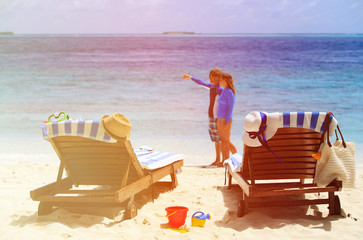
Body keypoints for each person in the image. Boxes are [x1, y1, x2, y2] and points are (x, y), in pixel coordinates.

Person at [182, 68, 223, 166]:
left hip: (218, 117)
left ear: (218, 77)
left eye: (212, 77)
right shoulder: (212, 87)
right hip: (211, 117)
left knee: (221, 139)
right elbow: (201, 82)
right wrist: (190, 77)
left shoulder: (220, 89)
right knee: (216, 140)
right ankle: (217, 159)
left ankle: (224, 160)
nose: (210, 79)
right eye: (209, 77)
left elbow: (225, 103)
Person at [216, 72, 237, 163]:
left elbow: (230, 107)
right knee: (223, 141)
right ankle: (225, 160)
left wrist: (227, 120)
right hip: (219, 119)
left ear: (226, 81)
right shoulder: (223, 90)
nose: (219, 81)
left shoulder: (229, 92)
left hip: (225, 119)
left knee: (226, 141)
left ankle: (235, 157)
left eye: (221, 79)